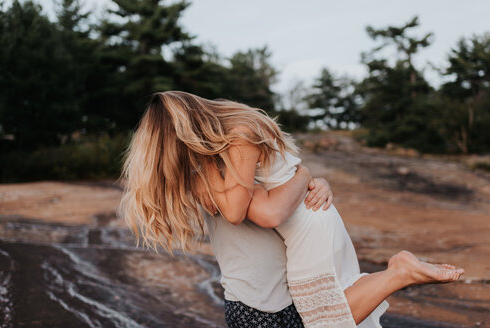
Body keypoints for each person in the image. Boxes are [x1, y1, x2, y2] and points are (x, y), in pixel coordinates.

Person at [119, 90, 464, 327]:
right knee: (330, 304)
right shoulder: (219, 156)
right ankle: (396, 273)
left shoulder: (239, 138)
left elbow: (252, 212)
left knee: (325, 317)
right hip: (304, 229)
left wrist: (306, 175)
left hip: (304, 228)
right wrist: (305, 175)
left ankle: (398, 273)